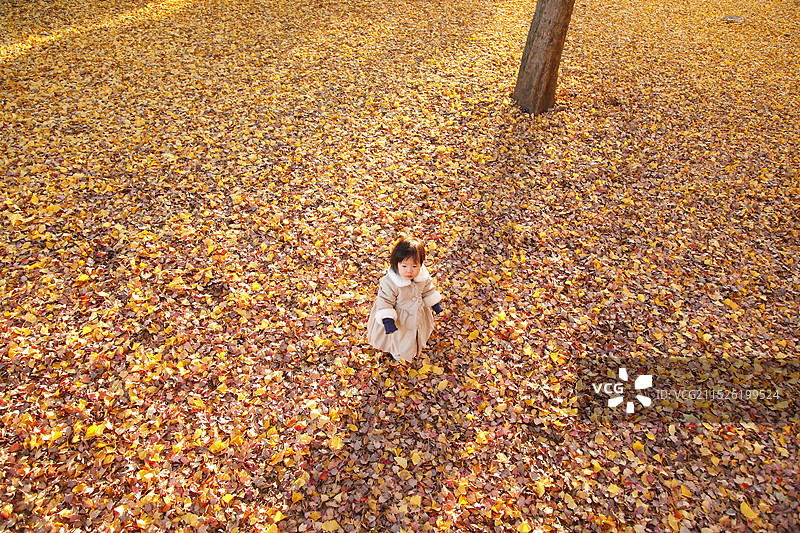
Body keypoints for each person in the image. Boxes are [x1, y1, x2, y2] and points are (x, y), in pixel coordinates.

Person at [367, 233, 443, 362]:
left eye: (414, 266)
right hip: (398, 317)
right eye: (404, 266)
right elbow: (384, 301)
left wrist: (434, 304)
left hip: (417, 312)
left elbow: (427, 289)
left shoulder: (422, 277)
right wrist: (388, 320)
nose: (409, 271)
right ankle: (398, 353)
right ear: (396, 265)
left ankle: (415, 346)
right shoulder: (390, 282)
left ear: (420, 265)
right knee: (398, 338)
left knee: (417, 331)